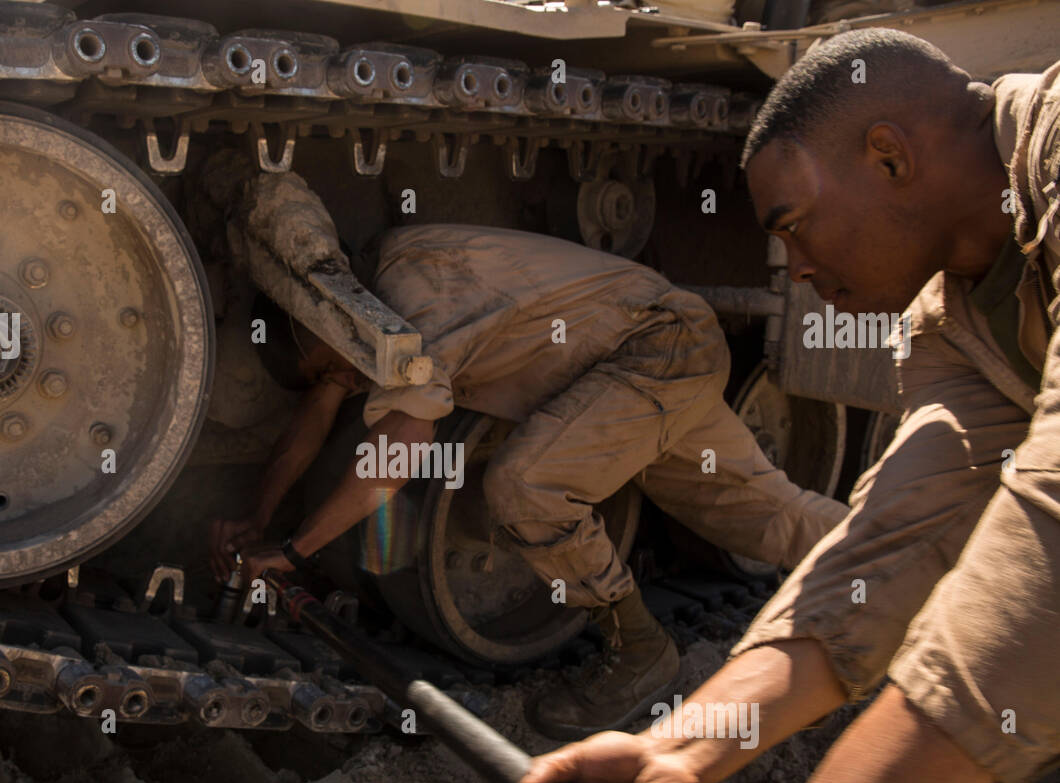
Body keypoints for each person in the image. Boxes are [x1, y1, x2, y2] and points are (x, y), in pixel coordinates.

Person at [515, 28, 1060, 783]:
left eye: (793, 224)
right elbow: (898, 541)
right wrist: (685, 747)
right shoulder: (959, 320)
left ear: (888, 156)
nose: (796, 269)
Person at [209, 177, 846, 739]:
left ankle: (641, 649)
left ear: (330, 327)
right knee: (766, 517)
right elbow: (316, 416)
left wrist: (294, 552)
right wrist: (259, 520)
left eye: (335, 373)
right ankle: (914, 556)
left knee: (523, 485)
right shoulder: (365, 297)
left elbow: (398, 450)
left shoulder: (410, 306)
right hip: (640, 361)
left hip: (654, 349)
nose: (345, 388)